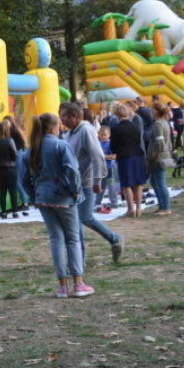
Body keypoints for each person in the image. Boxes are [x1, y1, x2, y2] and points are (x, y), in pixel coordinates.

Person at [19, 113, 94, 299]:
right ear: (54, 127)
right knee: (73, 238)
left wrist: (33, 194)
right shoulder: (61, 145)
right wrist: (75, 191)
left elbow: (22, 178)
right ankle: (78, 284)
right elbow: (72, 170)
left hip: (42, 197)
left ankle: (62, 287)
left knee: (56, 239)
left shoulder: (31, 150)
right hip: (63, 197)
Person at [59, 101, 124, 261]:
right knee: (77, 220)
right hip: (73, 183)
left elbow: (97, 156)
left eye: (64, 116)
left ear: (73, 116)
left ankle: (115, 239)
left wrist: (97, 180)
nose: (62, 120)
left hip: (86, 182)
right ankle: (79, 257)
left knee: (85, 217)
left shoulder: (86, 130)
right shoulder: (70, 133)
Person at [109, 102, 146, 218]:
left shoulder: (116, 128)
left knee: (127, 184)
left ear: (117, 115)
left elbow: (113, 146)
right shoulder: (135, 126)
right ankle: (139, 207)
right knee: (138, 183)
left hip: (125, 157)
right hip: (138, 155)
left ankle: (131, 209)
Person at [146, 102, 175, 215]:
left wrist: (155, 153)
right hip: (162, 155)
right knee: (154, 181)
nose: (151, 111)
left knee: (160, 182)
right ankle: (161, 205)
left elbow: (160, 141)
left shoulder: (158, 124)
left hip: (159, 157)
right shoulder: (164, 122)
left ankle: (166, 207)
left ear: (157, 111)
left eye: (152, 109)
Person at [0, 121, 20, 218]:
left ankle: (3, 213)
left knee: (2, 192)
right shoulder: (10, 140)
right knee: (12, 191)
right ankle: (15, 212)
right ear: (6, 130)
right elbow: (15, 155)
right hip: (10, 169)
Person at [97, 124, 118, 210]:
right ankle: (97, 202)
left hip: (110, 168)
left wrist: (103, 156)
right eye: (101, 135)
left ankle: (114, 202)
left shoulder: (111, 144)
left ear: (109, 135)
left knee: (111, 186)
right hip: (101, 169)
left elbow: (114, 156)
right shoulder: (98, 144)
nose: (103, 136)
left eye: (105, 135)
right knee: (100, 186)